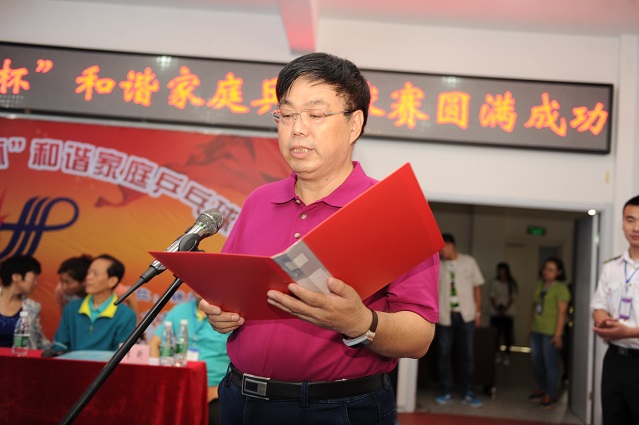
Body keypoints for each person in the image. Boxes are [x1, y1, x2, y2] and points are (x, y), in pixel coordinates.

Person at [198, 52, 440, 425]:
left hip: (340, 408)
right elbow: (230, 297)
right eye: (287, 114)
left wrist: (360, 322)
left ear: (354, 123)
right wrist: (221, 315)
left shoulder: (393, 211)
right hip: (241, 400)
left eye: (315, 114)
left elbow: (420, 337)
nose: (297, 129)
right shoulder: (259, 201)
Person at [591, 195, 639, 424]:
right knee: (613, 419)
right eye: (630, 220)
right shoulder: (611, 267)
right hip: (615, 360)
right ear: (622, 223)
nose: (636, 228)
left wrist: (628, 332)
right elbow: (599, 305)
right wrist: (604, 321)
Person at [150, 295, 230, 425]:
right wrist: (158, 378)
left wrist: (218, 390)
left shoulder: (230, 315)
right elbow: (154, 343)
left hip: (214, 390)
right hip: (179, 387)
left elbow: (245, 360)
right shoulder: (179, 310)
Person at [435, 233, 485, 408]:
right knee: (443, 355)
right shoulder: (437, 265)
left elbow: (477, 287)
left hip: (467, 316)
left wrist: (478, 313)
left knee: (468, 355)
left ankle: (468, 392)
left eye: (442, 248)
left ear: (450, 245)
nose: (440, 252)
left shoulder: (469, 261)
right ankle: (446, 391)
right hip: (445, 316)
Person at [53, 254, 136, 352]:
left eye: (95, 274)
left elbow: (122, 353)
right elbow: (60, 345)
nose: (88, 277)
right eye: (88, 273)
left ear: (112, 281)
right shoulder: (71, 308)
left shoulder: (126, 315)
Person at [527, 256, 570, 409]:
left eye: (551, 270)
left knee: (550, 363)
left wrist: (558, 335)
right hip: (537, 330)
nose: (547, 272)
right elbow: (534, 306)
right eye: (545, 269)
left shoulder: (561, 288)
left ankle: (550, 394)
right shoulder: (540, 284)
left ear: (559, 272)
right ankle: (542, 387)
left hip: (551, 332)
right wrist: (530, 325)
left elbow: (562, 313)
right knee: (536, 361)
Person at [55, 254, 140, 319]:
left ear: (83, 281)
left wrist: (136, 325)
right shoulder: (61, 292)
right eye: (89, 273)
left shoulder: (110, 289)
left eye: (68, 282)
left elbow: (131, 298)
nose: (64, 286)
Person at [0, 255, 50, 349]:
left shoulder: (32, 307)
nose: (35, 283)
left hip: (18, 357)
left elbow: (39, 340)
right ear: (16, 277)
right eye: (34, 278)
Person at [489, 261, 518, 365]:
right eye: (499, 270)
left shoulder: (511, 283)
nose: (501, 272)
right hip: (495, 311)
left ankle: (507, 354)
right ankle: (496, 353)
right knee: (496, 334)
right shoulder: (494, 282)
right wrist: (497, 308)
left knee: (507, 334)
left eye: (503, 270)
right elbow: (492, 296)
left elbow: (512, 297)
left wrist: (505, 309)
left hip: (508, 312)